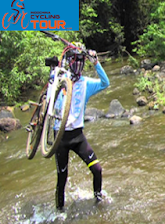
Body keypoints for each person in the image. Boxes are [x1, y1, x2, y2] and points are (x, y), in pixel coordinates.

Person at [54, 43, 110, 211]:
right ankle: (59, 212)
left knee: (97, 169)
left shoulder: (86, 83)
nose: (77, 64)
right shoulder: (60, 81)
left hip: (78, 137)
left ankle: (98, 201)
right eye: (74, 60)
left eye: (81, 60)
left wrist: (96, 63)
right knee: (62, 177)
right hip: (60, 138)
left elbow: (105, 83)